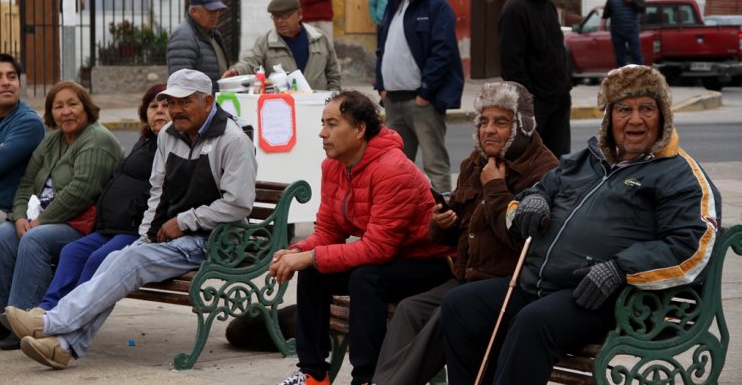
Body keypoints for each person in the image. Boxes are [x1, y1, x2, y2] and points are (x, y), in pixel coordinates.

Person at [441, 65, 721, 385]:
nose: (635, 119)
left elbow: (693, 244)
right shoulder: (587, 159)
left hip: (601, 297)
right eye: (623, 109)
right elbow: (541, 189)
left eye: (647, 108)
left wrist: (620, 269)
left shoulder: (678, 173)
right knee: (460, 306)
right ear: (609, 117)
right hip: (537, 282)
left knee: (533, 323)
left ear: (663, 116)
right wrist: (534, 201)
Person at [6, 69, 257, 369]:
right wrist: (144, 238)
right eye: (171, 102)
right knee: (116, 259)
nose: (175, 110)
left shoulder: (233, 139)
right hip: (176, 237)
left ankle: (51, 322)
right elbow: (158, 192)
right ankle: (64, 345)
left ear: (208, 102)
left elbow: (238, 205)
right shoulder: (169, 134)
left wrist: (186, 220)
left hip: (216, 240)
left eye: (184, 102)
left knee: (129, 262)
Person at [372, 81, 559, 385]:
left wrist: (496, 188)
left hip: (508, 287)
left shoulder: (544, 171)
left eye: (500, 122)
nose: (488, 130)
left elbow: (521, 241)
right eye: (483, 121)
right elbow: (457, 232)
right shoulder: (475, 162)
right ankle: (383, 381)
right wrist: (441, 222)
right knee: (409, 309)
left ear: (522, 126)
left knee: (446, 313)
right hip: (466, 277)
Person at [271, 90, 456, 385]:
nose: (322, 133)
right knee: (313, 272)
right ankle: (312, 374)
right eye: (323, 123)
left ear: (359, 129)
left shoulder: (393, 169)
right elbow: (329, 232)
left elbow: (377, 249)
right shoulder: (333, 165)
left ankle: (367, 378)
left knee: (365, 277)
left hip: (430, 264)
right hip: (389, 258)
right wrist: (296, 252)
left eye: (332, 124)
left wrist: (309, 256)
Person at [0, 81, 124, 349]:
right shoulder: (52, 141)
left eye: (73, 104)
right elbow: (27, 183)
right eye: (58, 106)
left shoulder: (97, 139)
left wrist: (38, 222)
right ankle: (0, 317)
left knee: (35, 239)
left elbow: (81, 192)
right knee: (3, 235)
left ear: (86, 108)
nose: (66, 112)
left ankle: (28, 319)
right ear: (51, 114)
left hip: (85, 225)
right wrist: (19, 217)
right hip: (43, 218)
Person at [32, 84, 169, 313]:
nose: (159, 110)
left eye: (166, 105)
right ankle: (45, 311)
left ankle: (67, 319)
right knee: (72, 252)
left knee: (98, 259)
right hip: (110, 227)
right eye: (153, 106)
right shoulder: (146, 141)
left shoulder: (175, 145)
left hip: (135, 230)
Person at [375, 0, 464, 194]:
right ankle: (398, 216)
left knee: (434, 163)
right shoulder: (395, 4)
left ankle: (442, 218)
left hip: (422, 101)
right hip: (393, 99)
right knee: (395, 166)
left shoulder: (436, 5)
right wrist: (382, 86)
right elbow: (383, 48)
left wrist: (425, 93)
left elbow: (443, 52)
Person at [499, 0, 571, 159]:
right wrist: (530, 99)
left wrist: (564, 85)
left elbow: (555, 49)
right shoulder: (515, 10)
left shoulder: (547, 5)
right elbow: (511, 65)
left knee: (558, 161)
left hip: (558, 99)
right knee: (531, 163)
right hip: (534, 104)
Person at [222, 0, 341, 91]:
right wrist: (237, 71)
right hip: (282, 106)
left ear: (299, 14)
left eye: (285, 16)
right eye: (275, 17)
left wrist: (332, 95)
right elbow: (251, 62)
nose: (279, 21)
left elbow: (333, 72)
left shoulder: (319, 38)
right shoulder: (266, 42)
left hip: (317, 105)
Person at [0, 54, 45, 228]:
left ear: (19, 84)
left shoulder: (29, 123)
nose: (6, 82)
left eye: (12, 76)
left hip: (7, 211)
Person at [167, 0, 234, 91]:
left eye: (218, 11)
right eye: (211, 11)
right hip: (202, 105)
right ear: (194, 11)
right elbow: (183, 83)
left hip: (212, 102)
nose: (216, 15)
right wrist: (219, 86)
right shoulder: (183, 37)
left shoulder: (213, 34)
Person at [603, 0, 646, 67]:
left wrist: (632, 0)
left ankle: (640, 78)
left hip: (632, 30)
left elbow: (642, 9)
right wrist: (607, 9)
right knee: (620, 58)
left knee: (636, 55)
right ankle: (623, 79)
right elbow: (606, 14)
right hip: (617, 31)